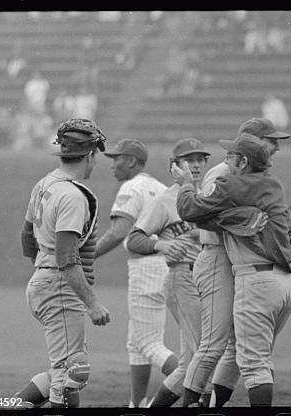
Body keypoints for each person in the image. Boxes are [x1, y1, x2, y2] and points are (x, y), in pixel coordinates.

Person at [175, 133, 291, 406]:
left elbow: (189, 209)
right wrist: (234, 218)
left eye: (231, 156)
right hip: (286, 282)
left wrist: (186, 184)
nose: (226, 159)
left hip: (255, 280)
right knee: (250, 355)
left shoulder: (232, 183)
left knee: (253, 366)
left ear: (243, 162)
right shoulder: (273, 183)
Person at [15, 118, 111, 408]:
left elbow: (26, 237)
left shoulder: (45, 184)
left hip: (43, 282)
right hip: (58, 286)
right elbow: (67, 258)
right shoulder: (72, 195)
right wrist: (93, 304)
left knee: (62, 370)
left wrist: (42, 269)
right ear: (91, 154)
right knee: (72, 374)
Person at [130, 138, 210, 407]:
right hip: (183, 278)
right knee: (206, 354)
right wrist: (160, 244)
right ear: (174, 167)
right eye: (189, 160)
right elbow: (134, 239)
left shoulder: (209, 195)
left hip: (209, 280)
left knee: (189, 363)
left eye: (200, 159)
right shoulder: (165, 201)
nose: (196, 165)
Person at [95, 139, 170, 408]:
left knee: (148, 344)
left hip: (146, 265)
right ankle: (137, 404)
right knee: (136, 343)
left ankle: (196, 385)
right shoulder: (161, 187)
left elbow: (119, 232)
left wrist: (84, 256)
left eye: (116, 158)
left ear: (131, 161)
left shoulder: (132, 186)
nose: (112, 164)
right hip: (166, 265)